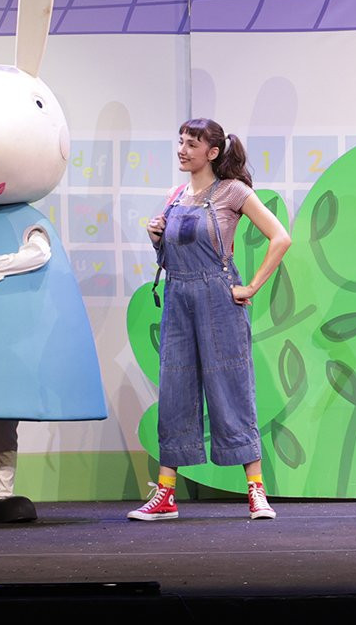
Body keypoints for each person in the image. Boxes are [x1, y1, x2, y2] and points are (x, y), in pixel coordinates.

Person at [128, 118, 291, 521]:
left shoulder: (233, 191)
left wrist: (251, 287)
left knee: (231, 387)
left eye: (191, 144)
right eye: (180, 142)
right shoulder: (174, 196)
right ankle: (165, 494)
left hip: (218, 300)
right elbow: (171, 258)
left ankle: (256, 491)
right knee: (175, 390)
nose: (182, 150)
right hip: (178, 297)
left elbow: (280, 237)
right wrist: (156, 238)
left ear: (213, 152)